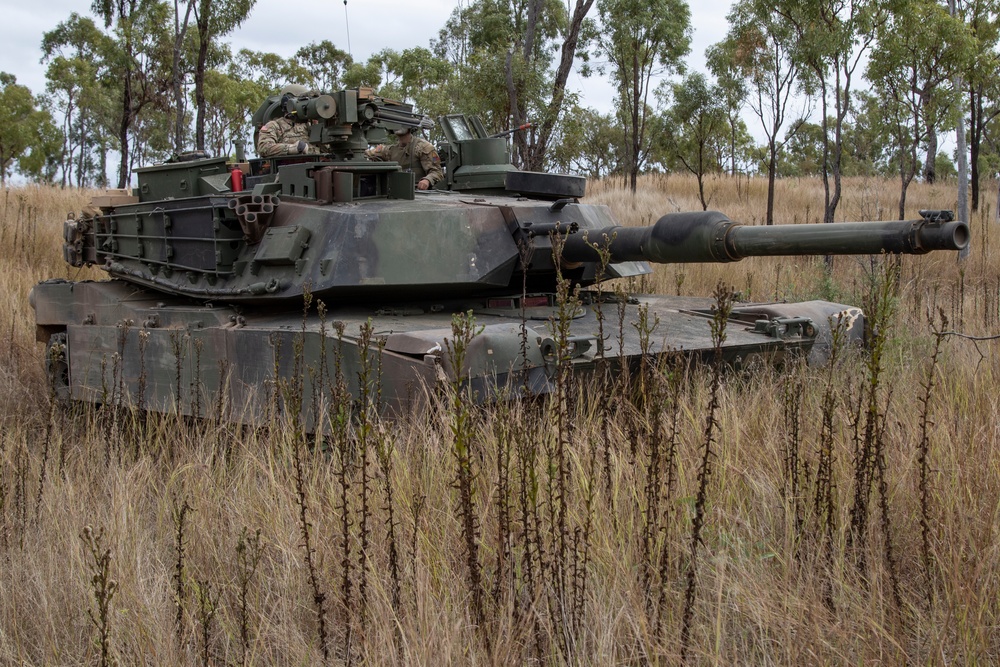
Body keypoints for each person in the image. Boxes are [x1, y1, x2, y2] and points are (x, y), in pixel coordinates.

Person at [365, 127, 443, 190]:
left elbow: (437, 172)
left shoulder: (424, 147)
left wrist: (427, 180)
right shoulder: (390, 150)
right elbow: (366, 153)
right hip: (397, 193)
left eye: (401, 123)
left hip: (418, 193)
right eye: (395, 123)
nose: (398, 126)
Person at [257, 85, 322, 158]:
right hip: (287, 167)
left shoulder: (311, 125)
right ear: (287, 103)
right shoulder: (274, 125)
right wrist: (292, 148)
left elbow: (328, 149)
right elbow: (264, 148)